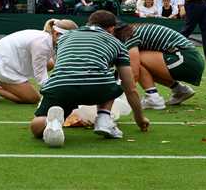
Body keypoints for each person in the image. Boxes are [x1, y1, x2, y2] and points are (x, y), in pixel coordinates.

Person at [30, 10, 149, 147]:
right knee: (111, 77)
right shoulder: (118, 44)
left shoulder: (63, 38)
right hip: (99, 88)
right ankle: (104, 118)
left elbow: (64, 67)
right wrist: (140, 118)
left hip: (60, 85)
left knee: (37, 124)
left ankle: (51, 122)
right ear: (112, 29)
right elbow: (130, 87)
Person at [0, 19, 78, 104]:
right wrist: (57, 94)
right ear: (55, 33)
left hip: (11, 61)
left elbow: (60, 63)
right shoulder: (42, 44)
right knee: (33, 98)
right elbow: (41, 77)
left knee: (50, 64)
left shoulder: (51, 39)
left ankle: (14, 88)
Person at [112, 23, 204, 110]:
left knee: (137, 61)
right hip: (190, 59)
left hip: (186, 59)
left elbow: (134, 73)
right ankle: (180, 90)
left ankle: (153, 98)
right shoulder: (132, 31)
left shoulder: (129, 36)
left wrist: (117, 96)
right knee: (140, 63)